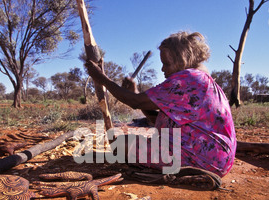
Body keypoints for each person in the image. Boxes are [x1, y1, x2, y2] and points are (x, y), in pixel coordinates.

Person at [85, 31, 236, 179]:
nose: (163, 69)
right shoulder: (202, 80)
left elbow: (135, 102)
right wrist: (135, 92)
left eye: (166, 64)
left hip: (201, 160)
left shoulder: (187, 79)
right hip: (217, 160)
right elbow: (155, 116)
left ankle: (179, 172)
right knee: (130, 142)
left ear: (182, 60)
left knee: (121, 144)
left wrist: (100, 78)